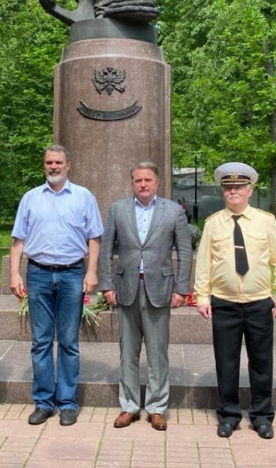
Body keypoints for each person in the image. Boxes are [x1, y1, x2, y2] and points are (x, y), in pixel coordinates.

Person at [194, 162, 276, 440]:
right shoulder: (213, 224)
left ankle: (262, 416)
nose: (232, 191)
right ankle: (229, 415)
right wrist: (203, 296)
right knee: (226, 362)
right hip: (224, 303)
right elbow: (204, 265)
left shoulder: (266, 221)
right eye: (227, 187)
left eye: (238, 187)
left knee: (261, 362)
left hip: (259, 302)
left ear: (250, 190)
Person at [9, 145, 103, 426]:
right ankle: (43, 402)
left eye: (58, 162)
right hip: (37, 274)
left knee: (69, 342)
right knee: (40, 342)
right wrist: (14, 273)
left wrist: (92, 272)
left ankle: (68, 402)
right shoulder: (30, 198)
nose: (53, 166)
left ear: (68, 165)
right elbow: (18, 240)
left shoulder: (84, 197)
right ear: (44, 166)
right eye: (49, 162)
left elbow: (94, 239)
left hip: (72, 274)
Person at [99, 162, 192, 431]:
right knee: (127, 351)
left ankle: (156, 408)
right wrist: (106, 285)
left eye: (148, 180)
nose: (143, 184)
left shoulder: (173, 211)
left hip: (160, 289)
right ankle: (129, 406)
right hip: (126, 287)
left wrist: (181, 289)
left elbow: (185, 253)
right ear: (132, 183)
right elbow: (106, 250)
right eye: (138, 180)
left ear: (157, 183)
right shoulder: (118, 209)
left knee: (157, 352)